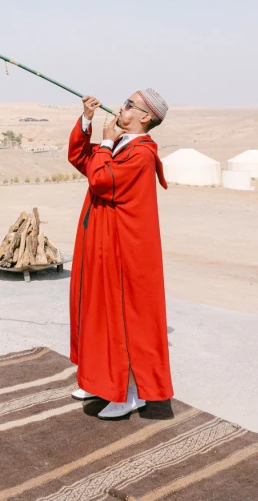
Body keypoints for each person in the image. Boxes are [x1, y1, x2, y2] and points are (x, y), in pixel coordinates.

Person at [68, 89, 173, 419]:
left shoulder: (140, 154)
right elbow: (80, 160)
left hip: (122, 248)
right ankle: (99, 379)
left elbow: (101, 180)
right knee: (95, 309)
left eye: (130, 105)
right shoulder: (122, 145)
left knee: (123, 320)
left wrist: (104, 143)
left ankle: (128, 393)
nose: (122, 107)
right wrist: (87, 120)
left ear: (145, 117)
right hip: (101, 239)